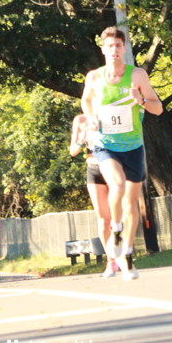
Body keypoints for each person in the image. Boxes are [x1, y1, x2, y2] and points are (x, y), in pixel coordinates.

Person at [80, 26, 164, 280]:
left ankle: (127, 256)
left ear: (124, 48)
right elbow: (86, 100)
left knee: (131, 206)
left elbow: (158, 109)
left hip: (133, 146)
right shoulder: (94, 77)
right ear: (103, 50)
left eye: (118, 45)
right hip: (105, 145)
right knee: (116, 185)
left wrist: (140, 100)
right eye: (110, 46)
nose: (114, 50)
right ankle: (115, 231)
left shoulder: (137, 75)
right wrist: (91, 117)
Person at [70, 113, 116, 277]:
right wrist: (80, 139)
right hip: (94, 169)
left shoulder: (111, 111)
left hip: (113, 166)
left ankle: (123, 253)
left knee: (118, 217)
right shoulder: (80, 120)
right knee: (104, 219)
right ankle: (111, 260)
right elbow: (73, 151)